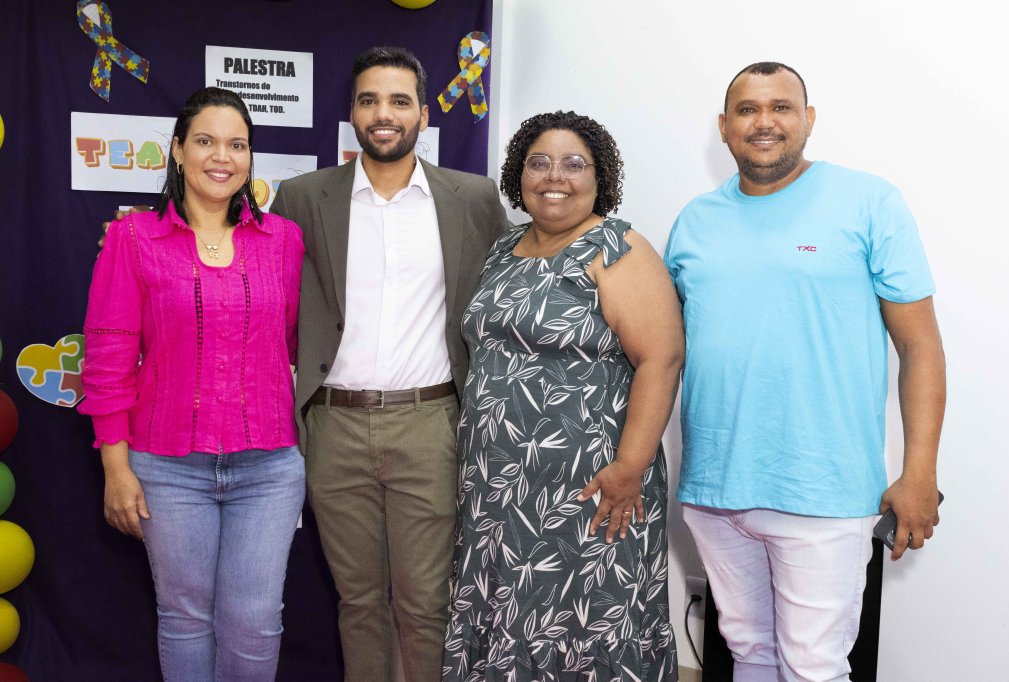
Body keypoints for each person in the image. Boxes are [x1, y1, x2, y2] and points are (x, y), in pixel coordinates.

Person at [663, 62, 946, 681]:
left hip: (822, 486)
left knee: (814, 665)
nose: (763, 122)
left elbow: (920, 345)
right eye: (747, 110)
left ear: (808, 119)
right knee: (748, 653)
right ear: (724, 127)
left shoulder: (868, 201)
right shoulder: (694, 221)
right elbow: (666, 353)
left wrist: (919, 472)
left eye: (781, 107)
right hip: (714, 488)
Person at [269, 47, 507, 682]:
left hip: (431, 425)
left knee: (427, 606)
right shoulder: (302, 197)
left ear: (423, 115)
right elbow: (256, 278)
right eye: (369, 100)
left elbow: (515, 283)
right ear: (351, 113)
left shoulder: (473, 198)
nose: (384, 113)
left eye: (400, 101)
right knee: (359, 603)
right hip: (333, 427)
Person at [442, 111, 683, 681]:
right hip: (498, 491)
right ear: (518, 176)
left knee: (583, 620)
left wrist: (629, 468)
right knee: (508, 612)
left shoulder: (616, 248)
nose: (555, 176)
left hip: (591, 488)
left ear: (600, 177)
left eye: (575, 164)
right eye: (539, 163)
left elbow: (663, 358)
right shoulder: (504, 248)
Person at [79, 87, 307, 682]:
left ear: (251, 157)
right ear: (178, 151)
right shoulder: (133, 239)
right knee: (183, 617)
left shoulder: (283, 240)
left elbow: (293, 341)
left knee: (255, 621)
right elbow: (107, 357)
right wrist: (115, 468)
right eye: (205, 141)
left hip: (269, 466)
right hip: (166, 467)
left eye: (237, 145)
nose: (221, 157)